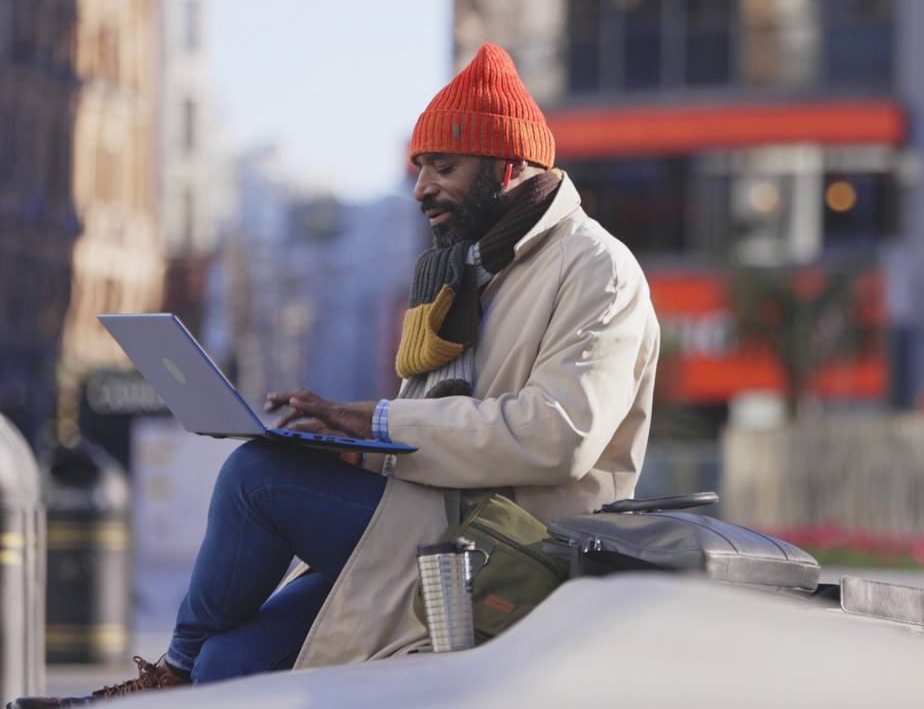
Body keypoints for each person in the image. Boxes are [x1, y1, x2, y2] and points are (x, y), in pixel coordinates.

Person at [10, 43, 660, 708]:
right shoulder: (468, 267)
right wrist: (363, 452)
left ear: (511, 167)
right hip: (434, 527)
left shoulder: (596, 270)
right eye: (419, 168)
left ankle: (166, 675)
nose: (421, 188)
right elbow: (446, 433)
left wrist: (378, 419)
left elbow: (560, 435)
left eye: (444, 167)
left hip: (514, 551)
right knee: (232, 663)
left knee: (255, 478)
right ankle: (178, 679)